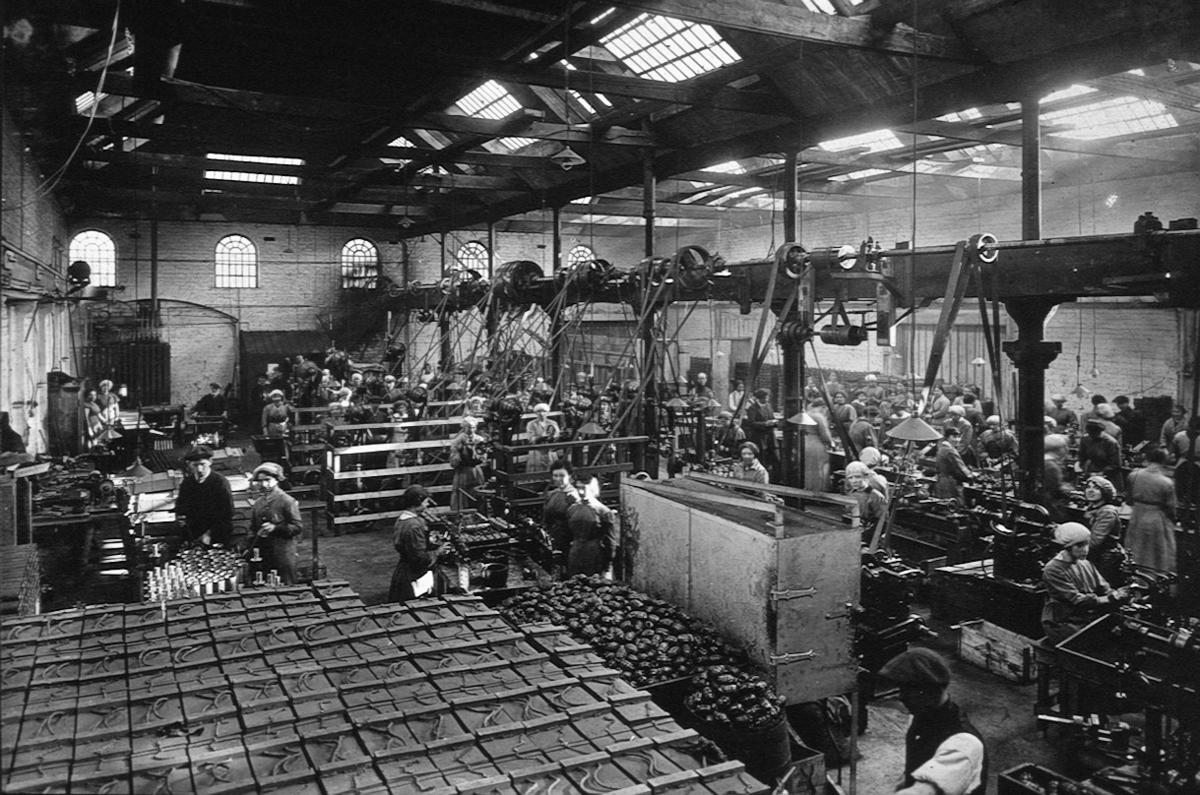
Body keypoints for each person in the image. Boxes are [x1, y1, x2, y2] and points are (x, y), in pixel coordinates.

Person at [877, 648, 987, 795]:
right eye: (902, 689)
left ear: (931, 692)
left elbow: (924, 791)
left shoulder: (964, 743)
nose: (901, 697)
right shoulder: (921, 717)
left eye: (909, 690)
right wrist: (907, 779)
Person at [1041, 522, 1129, 645]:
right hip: (1065, 623)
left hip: (1087, 617)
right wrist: (1111, 598)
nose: (1085, 549)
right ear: (1066, 547)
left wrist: (1119, 594)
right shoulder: (1053, 570)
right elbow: (1078, 600)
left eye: (1087, 544)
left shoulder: (1085, 563)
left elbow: (1104, 587)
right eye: (1079, 545)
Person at [388, 485, 448, 603]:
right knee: (418, 604)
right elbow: (419, 558)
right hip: (414, 575)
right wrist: (437, 552)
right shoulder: (414, 526)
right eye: (426, 502)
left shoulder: (402, 520)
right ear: (417, 502)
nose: (427, 504)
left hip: (403, 570)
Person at [1124, 447, 1178, 574]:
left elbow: (1128, 500)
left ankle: (1135, 576)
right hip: (1156, 518)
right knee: (1155, 553)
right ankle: (1153, 577)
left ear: (1147, 458)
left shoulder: (1133, 475)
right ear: (1164, 461)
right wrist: (1173, 520)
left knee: (1136, 548)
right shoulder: (1166, 482)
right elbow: (1171, 507)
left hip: (1137, 515)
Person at [248, 462, 303, 585]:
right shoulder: (259, 503)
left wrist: (276, 528)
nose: (264, 484)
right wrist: (249, 545)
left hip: (283, 553)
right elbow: (253, 527)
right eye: (260, 481)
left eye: (267, 480)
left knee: (287, 585)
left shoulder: (287, 501)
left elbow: (297, 527)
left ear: (277, 480)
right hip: (265, 553)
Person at [174, 445, 235, 547]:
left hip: (218, 534)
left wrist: (209, 534)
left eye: (203, 464)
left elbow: (228, 513)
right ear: (189, 465)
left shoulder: (220, 482)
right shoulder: (187, 483)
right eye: (195, 465)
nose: (199, 469)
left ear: (210, 462)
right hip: (195, 533)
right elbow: (181, 508)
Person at [565, 476, 617, 577]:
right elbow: (567, 534)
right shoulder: (571, 509)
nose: (581, 492)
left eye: (584, 488)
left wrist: (607, 564)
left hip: (591, 554)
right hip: (578, 553)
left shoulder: (603, 511)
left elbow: (610, 541)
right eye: (579, 488)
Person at [1082, 475, 1127, 586]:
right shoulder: (1093, 508)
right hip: (1095, 554)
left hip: (1105, 558)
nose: (1090, 491)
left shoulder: (1107, 512)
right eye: (1088, 487)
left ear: (1105, 493)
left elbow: (1094, 541)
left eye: (1096, 488)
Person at [542, 459, 579, 575]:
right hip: (552, 538)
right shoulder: (551, 494)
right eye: (555, 475)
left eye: (562, 475)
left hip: (569, 539)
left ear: (570, 476)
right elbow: (546, 517)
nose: (558, 479)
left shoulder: (575, 496)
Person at [449, 416, 488, 513]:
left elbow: (483, 456)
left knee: (477, 490)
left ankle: (479, 511)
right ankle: (463, 512)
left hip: (476, 470)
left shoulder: (479, 439)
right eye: (468, 427)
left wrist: (479, 454)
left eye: (473, 427)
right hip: (463, 471)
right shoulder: (458, 440)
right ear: (464, 427)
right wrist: (458, 456)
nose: (471, 430)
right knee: (463, 492)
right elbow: (454, 459)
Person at [1078, 418, 1124, 493]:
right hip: (1090, 473)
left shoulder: (1111, 442)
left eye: (1094, 433)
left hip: (1109, 476)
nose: (1091, 436)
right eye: (1089, 433)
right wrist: (1085, 470)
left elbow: (1116, 464)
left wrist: (1101, 473)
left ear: (1099, 432)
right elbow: (1081, 457)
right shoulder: (1085, 439)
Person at [742, 388, 779, 478]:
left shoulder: (768, 406)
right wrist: (765, 424)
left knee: (775, 456)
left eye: (768, 397)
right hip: (759, 437)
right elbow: (751, 423)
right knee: (762, 457)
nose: (767, 399)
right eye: (766, 397)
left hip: (770, 436)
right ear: (760, 398)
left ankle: (774, 478)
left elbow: (772, 417)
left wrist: (774, 422)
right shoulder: (752, 408)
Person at [846, 461, 887, 535]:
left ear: (865, 477)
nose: (854, 481)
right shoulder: (851, 494)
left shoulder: (875, 496)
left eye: (857, 477)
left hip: (868, 532)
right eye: (850, 478)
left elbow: (882, 522)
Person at [934, 425, 972, 504]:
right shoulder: (950, 451)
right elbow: (960, 467)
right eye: (954, 437)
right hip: (950, 482)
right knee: (953, 504)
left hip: (941, 480)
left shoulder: (942, 448)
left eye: (958, 437)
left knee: (943, 503)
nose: (957, 440)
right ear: (947, 437)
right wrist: (971, 476)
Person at [1040, 434, 1072, 521]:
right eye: (1065, 446)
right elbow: (1054, 490)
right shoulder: (1052, 467)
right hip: (1049, 507)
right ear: (1058, 449)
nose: (1067, 449)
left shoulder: (1042, 461)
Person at [524, 403, 559, 473]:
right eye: (539, 411)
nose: (541, 414)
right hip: (537, 451)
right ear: (536, 413)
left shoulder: (553, 423)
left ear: (547, 412)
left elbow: (557, 435)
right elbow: (531, 438)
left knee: (551, 469)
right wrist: (541, 437)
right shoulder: (531, 424)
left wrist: (554, 437)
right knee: (536, 471)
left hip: (549, 450)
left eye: (544, 411)